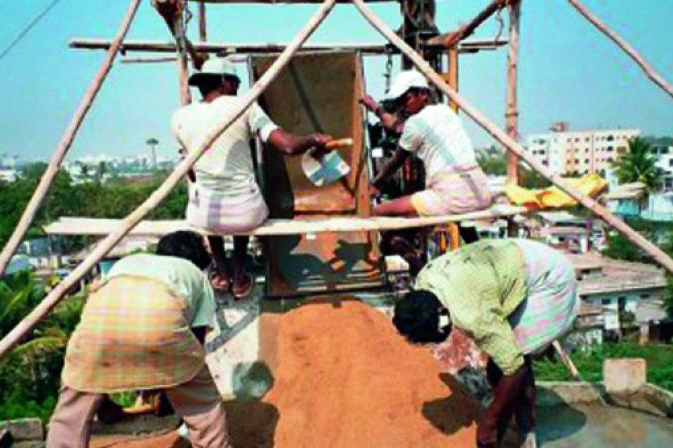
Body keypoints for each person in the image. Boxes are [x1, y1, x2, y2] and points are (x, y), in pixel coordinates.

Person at [46, 231, 230, 448]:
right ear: (198, 257)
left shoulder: (127, 263)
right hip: (161, 326)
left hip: (96, 328)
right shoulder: (195, 275)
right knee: (202, 402)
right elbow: (195, 342)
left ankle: (103, 414)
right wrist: (168, 383)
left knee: (78, 392)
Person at [391, 239, 579, 448]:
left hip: (548, 280)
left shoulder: (473, 316)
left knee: (507, 365)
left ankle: (523, 432)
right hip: (510, 259)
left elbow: (514, 368)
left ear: (441, 322)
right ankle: (511, 425)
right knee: (501, 365)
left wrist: (489, 421)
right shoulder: (424, 282)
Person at [171, 57, 333, 299]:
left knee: (207, 196)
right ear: (225, 82)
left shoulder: (180, 117)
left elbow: (191, 172)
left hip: (204, 216)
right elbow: (288, 146)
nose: (238, 89)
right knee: (241, 200)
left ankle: (222, 271)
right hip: (244, 215)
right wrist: (313, 139)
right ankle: (238, 273)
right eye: (236, 83)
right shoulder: (245, 106)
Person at [362, 70, 492, 217]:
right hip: (480, 188)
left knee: (377, 212)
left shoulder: (416, 123)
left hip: (451, 194)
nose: (402, 107)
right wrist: (374, 107)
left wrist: (375, 184)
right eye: (399, 102)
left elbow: (396, 162)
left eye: (406, 99)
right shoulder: (446, 112)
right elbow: (398, 127)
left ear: (423, 94)